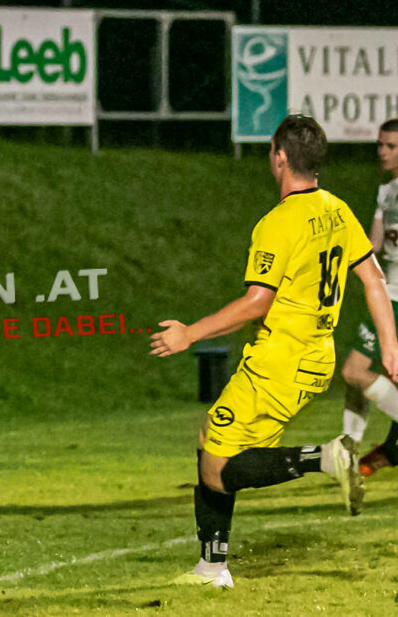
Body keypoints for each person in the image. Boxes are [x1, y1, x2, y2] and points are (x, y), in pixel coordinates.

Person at [150, 114, 398, 589]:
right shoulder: (337, 209)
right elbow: (373, 279)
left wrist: (189, 334)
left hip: (278, 363)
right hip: (315, 359)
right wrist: (389, 343)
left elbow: (256, 302)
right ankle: (211, 566)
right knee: (211, 441)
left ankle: (325, 459)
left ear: (280, 158)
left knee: (217, 467)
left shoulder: (278, 223)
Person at [340, 119, 398, 476]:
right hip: (387, 296)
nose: (382, 151)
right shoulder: (386, 192)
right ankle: (347, 455)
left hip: (397, 302)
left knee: (354, 372)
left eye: (391, 146)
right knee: (359, 380)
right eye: (380, 144)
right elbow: (372, 249)